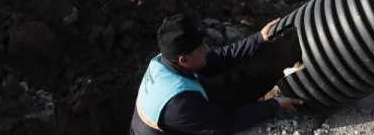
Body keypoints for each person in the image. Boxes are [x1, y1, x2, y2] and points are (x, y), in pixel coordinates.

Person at [129, 14, 304, 135]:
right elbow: (224, 125)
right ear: (184, 60)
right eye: (200, 48)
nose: (207, 48)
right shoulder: (180, 104)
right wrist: (274, 104)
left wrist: (258, 38)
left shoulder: (164, 60)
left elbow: (217, 58)